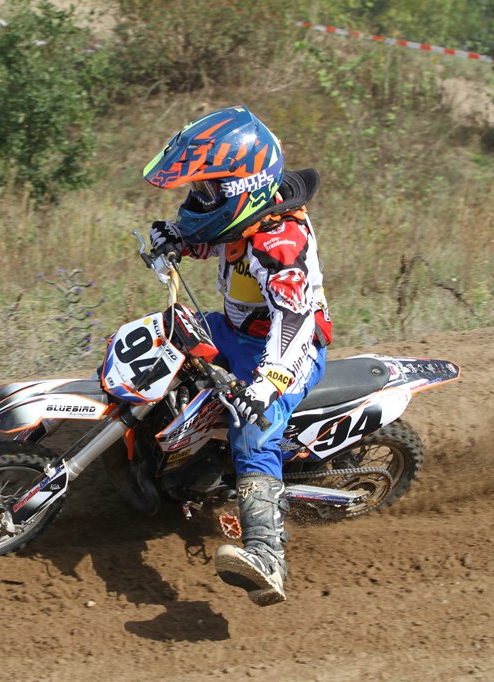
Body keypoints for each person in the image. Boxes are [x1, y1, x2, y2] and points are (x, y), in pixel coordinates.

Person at [143, 105, 332, 606]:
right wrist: (179, 239)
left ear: (242, 189)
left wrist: (268, 382)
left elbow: (295, 320)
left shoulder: (282, 243)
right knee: (166, 335)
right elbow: (217, 238)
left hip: (287, 349)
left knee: (253, 430)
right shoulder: (248, 216)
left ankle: (267, 557)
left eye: (209, 190)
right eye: (200, 189)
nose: (200, 197)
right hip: (236, 329)